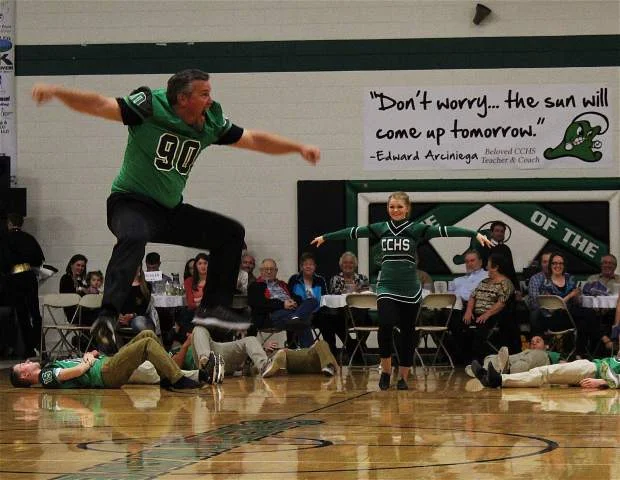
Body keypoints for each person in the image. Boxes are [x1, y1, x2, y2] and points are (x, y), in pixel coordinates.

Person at [32, 69, 320, 351]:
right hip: (129, 202)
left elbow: (253, 139)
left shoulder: (210, 122)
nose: (210, 100)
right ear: (183, 99)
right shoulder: (149, 107)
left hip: (168, 211)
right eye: (204, 94)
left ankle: (213, 309)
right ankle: (107, 317)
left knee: (230, 233)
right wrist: (58, 92)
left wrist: (297, 147)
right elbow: (99, 104)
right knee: (134, 235)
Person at [311, 191, 493, 390]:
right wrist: (326, 237)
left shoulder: (416, 229)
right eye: (391, 207)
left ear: (407, 209)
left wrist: (474, 234)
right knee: (385, 325)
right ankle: (386, 370)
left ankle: (404, 377)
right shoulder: (381, 228)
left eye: (399, 207)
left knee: (407, 333)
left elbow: (445, 230)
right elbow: (354, 231)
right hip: (387, 286)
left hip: (410, 289)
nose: (395, 210)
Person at [9, 330, 205, 389]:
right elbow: (77, 371)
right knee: (147, 344)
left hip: (105, 363)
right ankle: (177, 379)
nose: (27, 361)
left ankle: (166, 378)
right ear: (25, 375)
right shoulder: (46, 376)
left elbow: (77, 368)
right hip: (105, 374)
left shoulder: (48, 370)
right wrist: (87, 359)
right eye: (23, 365)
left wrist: (90, 356)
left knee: (148, 334)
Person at [171, 325, 338, 380]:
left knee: (250, 339)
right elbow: (173, 368)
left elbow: (244, 368)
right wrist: (185, 346)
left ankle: (265, 365)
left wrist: (261, 350)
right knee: (198, 329)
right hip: (201, 366)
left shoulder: (204, 339)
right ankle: (207, 362)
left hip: (218, 357)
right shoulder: (177, 350)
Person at [1, 213, 45, 358]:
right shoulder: (29, 238)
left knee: (22, 314)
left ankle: (28, 348)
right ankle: (40, 345)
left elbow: (4, 263)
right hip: (29, 277)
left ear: (9, 223)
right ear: (21, 223)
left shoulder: (5, 239)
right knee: (35, 313)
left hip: (14, 279)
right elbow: (38, 260)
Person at [460, 253, 518, 362]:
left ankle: (479, 359)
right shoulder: (484, 281)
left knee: (481, 329)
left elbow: (502, 302)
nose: (486, 267)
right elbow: (473, 296)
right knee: (456, 323)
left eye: (488, 264)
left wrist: (487, 314)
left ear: (495, 267)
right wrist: (468, 311)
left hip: (493, 316)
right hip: (475, 313)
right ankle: (461, 357)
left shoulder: (505, 283)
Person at [247, 258, 319, 344]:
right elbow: (259, 304)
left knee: (312, 301)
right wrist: (283, 304)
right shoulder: (255, 286)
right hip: (272, 315)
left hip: (292, 311)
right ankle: (308, 349)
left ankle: (296, 317)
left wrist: (294, 302)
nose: (269, 272)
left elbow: (296, 297)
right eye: (266, 269)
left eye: (271, 269)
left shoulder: (282, 284)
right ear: (261, 271)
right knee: (302, 320)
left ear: (276, 271)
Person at [471, 352, 620, 390]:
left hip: (594, 370)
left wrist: (601, 381)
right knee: (543, 372)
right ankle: (489, 376)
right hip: (593, 365)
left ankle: (498, 379)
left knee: (544, 373)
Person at [465, 335, 561, 377]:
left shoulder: (548, 354)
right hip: (522, 357)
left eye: (538, 341)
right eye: (532, 342)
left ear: (546, 346)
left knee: (526, 361)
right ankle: (483, 371)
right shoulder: (527, 351)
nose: (534, 343)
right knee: (491, 357)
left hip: (540, 359)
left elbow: (564, 364)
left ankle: (502, 372)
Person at [287, 252, 328, 348]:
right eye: (305, 264)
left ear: (315, 267)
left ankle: (328, 349)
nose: (308, 266)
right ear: (301, 267)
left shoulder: (320, 280)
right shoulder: (294, 279)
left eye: (311, 264)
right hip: (298, 310)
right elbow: (289, 296)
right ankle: (302, 350)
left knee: (314, 305)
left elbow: (325, 298)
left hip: (316, 313)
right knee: (299, 317)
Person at [118, 265, 157, 334]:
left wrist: (132, 315)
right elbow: (116, 303)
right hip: (122, 318)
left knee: (138, 323)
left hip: (139, 317)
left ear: (139, 267)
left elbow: (144, 309)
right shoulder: (120, 286)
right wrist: (119, 315)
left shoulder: (146, 286)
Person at [59, 254, 89, 324]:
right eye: (78, 265)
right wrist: (82, 290)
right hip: (74, 315)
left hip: (82, 312)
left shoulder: (80, 282)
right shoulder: (66, 278)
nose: (80, 268)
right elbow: (69, 298)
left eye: (83, 266)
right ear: (71, 265)